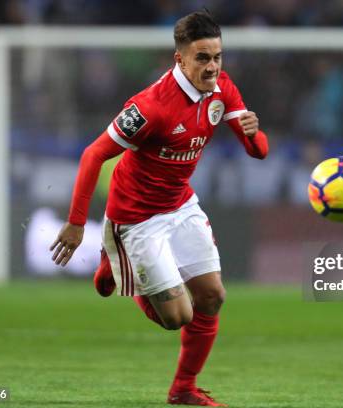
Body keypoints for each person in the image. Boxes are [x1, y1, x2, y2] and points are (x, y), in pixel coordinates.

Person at [49, 11, 268, 407]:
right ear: (180, 58)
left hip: (180, 203)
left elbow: (258, 151)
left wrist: (254, 133)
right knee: (177, 318)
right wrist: (77, 224)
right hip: (136, 217)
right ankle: (115, 259)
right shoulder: (151, 106)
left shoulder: (222, 89)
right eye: (202, 58)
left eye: (217, 56)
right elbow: (93, 154)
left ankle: (183, 389)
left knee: (213, 296)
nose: (212, 66)